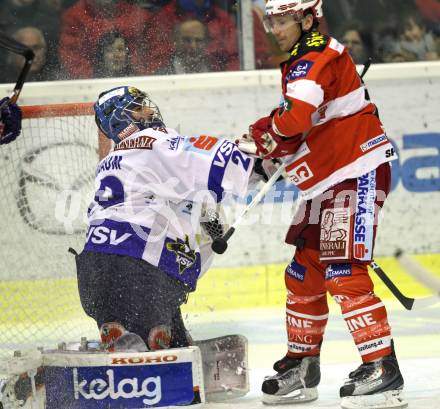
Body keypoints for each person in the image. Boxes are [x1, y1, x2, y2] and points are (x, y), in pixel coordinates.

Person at [238, 1, 406, 408]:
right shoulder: (301, 57)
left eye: (283, 21)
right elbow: (298, 120)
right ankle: (302, 364)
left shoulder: (314, 57)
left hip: (356, 172)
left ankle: (383, 369)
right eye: (270, 21)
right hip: (329, 181)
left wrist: (272, 137)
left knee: (343, 270)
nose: (274, 29)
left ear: (308, 19)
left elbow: (294, 122)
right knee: (303, 273)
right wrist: (269, 136)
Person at [75, 86, 269, 352]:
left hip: (93, 273)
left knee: (141, 339)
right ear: (121, 119)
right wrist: (261, 161)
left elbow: (193, 196)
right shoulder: (152, 140)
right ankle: (153, 355)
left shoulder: (110, 162)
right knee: (154, 349)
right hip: (138, 269)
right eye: (138, 106)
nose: (149, 109)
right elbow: (214, 162)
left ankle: (141, 341)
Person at [58, 0, 151, 79]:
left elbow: (148, 57)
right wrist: (95, 79)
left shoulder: (139, 16)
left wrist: (135, 76)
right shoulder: (75, 16)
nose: (117, 55)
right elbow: (71, 58)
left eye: (120, 50)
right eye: (109, 50)